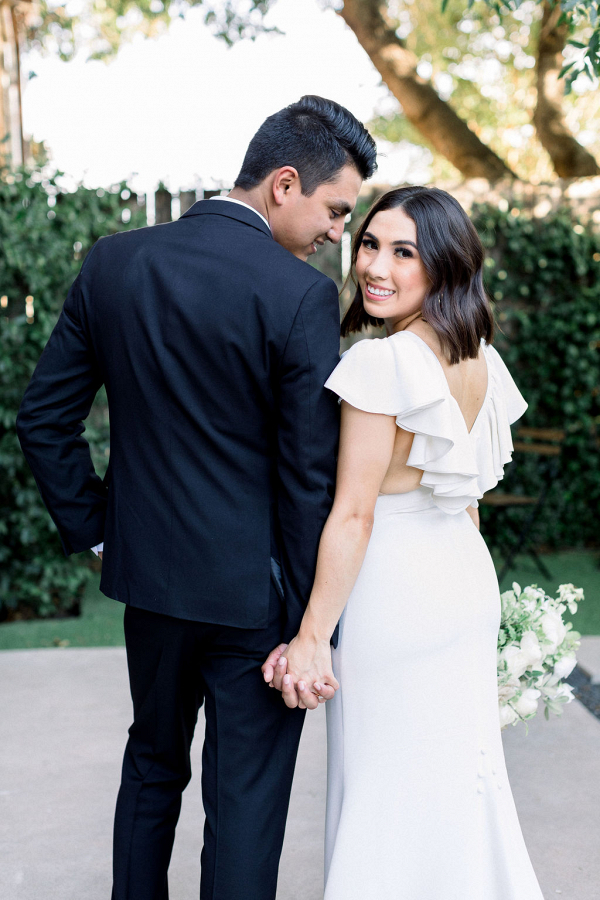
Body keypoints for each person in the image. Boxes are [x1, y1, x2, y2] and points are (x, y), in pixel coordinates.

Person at [16, 95, 377, 900]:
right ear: (285, 183)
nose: (335, 234)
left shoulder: (113, 262)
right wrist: (314, 625)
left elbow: (42, 421)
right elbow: (307, 478)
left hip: (148, 585)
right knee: (244, 805)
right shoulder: (299, 296)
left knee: (150, 767)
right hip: (258, 602)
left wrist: (105, 533)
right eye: (335, 210)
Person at [264, 186, 545, 898]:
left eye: (403, 252)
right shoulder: (481, 357)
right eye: (368, 244)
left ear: (445, 266)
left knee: (383, 791)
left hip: (394, 599)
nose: (374, 267)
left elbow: (354, 514)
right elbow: (468, 501)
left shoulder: (378, 365)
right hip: (461, 587)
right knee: (459, 783)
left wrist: (312, 635)